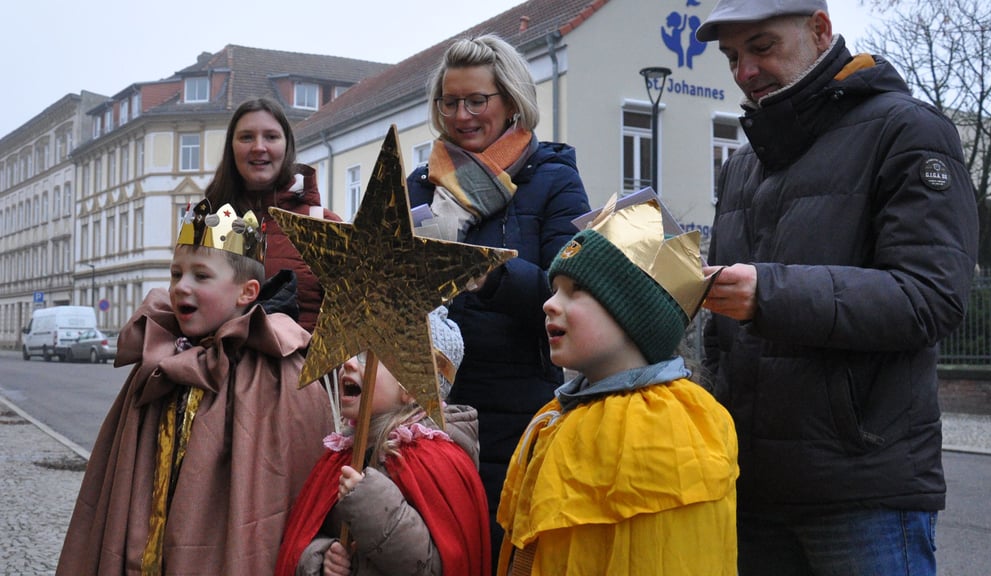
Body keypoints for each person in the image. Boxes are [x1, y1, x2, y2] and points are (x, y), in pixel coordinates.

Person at [695, 1, 979, 574]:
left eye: (763, 47)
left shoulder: (908, 129)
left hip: (864, 491)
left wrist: (767, 295)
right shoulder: (742, 165)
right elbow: (721, 338)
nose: (744, 71)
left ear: (820, 30)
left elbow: (930, 297)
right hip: (750, 487)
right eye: (732, 56)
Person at [55, 199, 333, 575]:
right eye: (175, 274)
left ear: (247, 292)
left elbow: (291, 488)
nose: (180, 287)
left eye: (201, 276)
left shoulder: (282, 372)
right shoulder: (157, 363)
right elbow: (119, 481)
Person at [406, 33, 591, 561]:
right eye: (449, 101)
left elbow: (570, 294)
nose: (461, 115)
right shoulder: (420, 184)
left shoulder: (553, 179)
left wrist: (482, 274)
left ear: (510, 101)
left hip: (515, 413)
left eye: (476, 100)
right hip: (426, 407)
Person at [496, 199, 739, 575]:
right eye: (554, 289)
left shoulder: (666, 429)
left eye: (576, 290)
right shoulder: (560, 414)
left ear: (635, 315)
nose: (549, 304)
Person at [275, 307, 491, 576]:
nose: (349, 363)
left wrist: (370, 502)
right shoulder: (344, 452)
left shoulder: (436, 460)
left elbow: (436, 566)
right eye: (353, 349)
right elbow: (307, 533)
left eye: (369, 355)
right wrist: (321, 557)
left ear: (413, 387)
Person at [206, 97, 342, 334]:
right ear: (232, 147)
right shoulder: (209, 223)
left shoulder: (323, 225)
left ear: (286, 146)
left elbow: (353, 317)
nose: (259, 147)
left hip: (302, 369)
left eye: (271, 137)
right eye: (246, 137)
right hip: (222, 368)